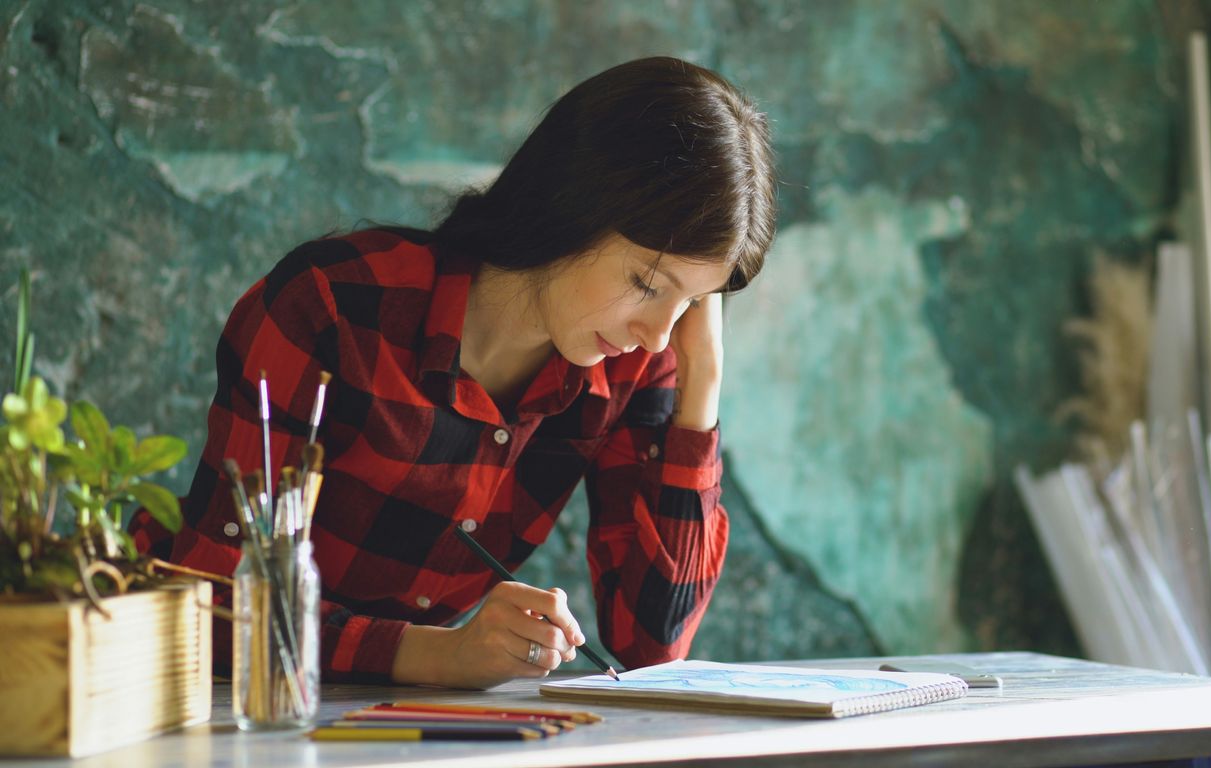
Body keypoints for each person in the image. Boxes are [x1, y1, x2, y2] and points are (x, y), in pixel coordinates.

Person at [131, 56, 776, 689]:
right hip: (213, 701)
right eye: (645, 283)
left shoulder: (634, 361)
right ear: (573, 203)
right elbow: (217, 596)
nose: (661, 333)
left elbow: (651, 648)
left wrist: (704, 383)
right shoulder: (329, 306)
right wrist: (439, 656)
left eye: (692, 304)